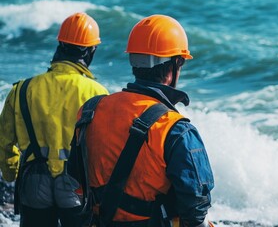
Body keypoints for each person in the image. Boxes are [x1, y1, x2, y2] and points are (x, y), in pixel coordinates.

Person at [67, 14, 215, 227]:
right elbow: (196, 206)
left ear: (133, 60)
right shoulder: (175, 129)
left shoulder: (90, 110)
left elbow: (75, 174)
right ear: (177, 62)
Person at [0, 12, 109, 227]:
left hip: (34, 184)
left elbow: (4, 140)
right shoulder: (98, 93)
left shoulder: (23, 89)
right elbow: (104, 149)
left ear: (60, 44)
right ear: (90, 51)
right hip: (76, 186)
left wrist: (10, 173)